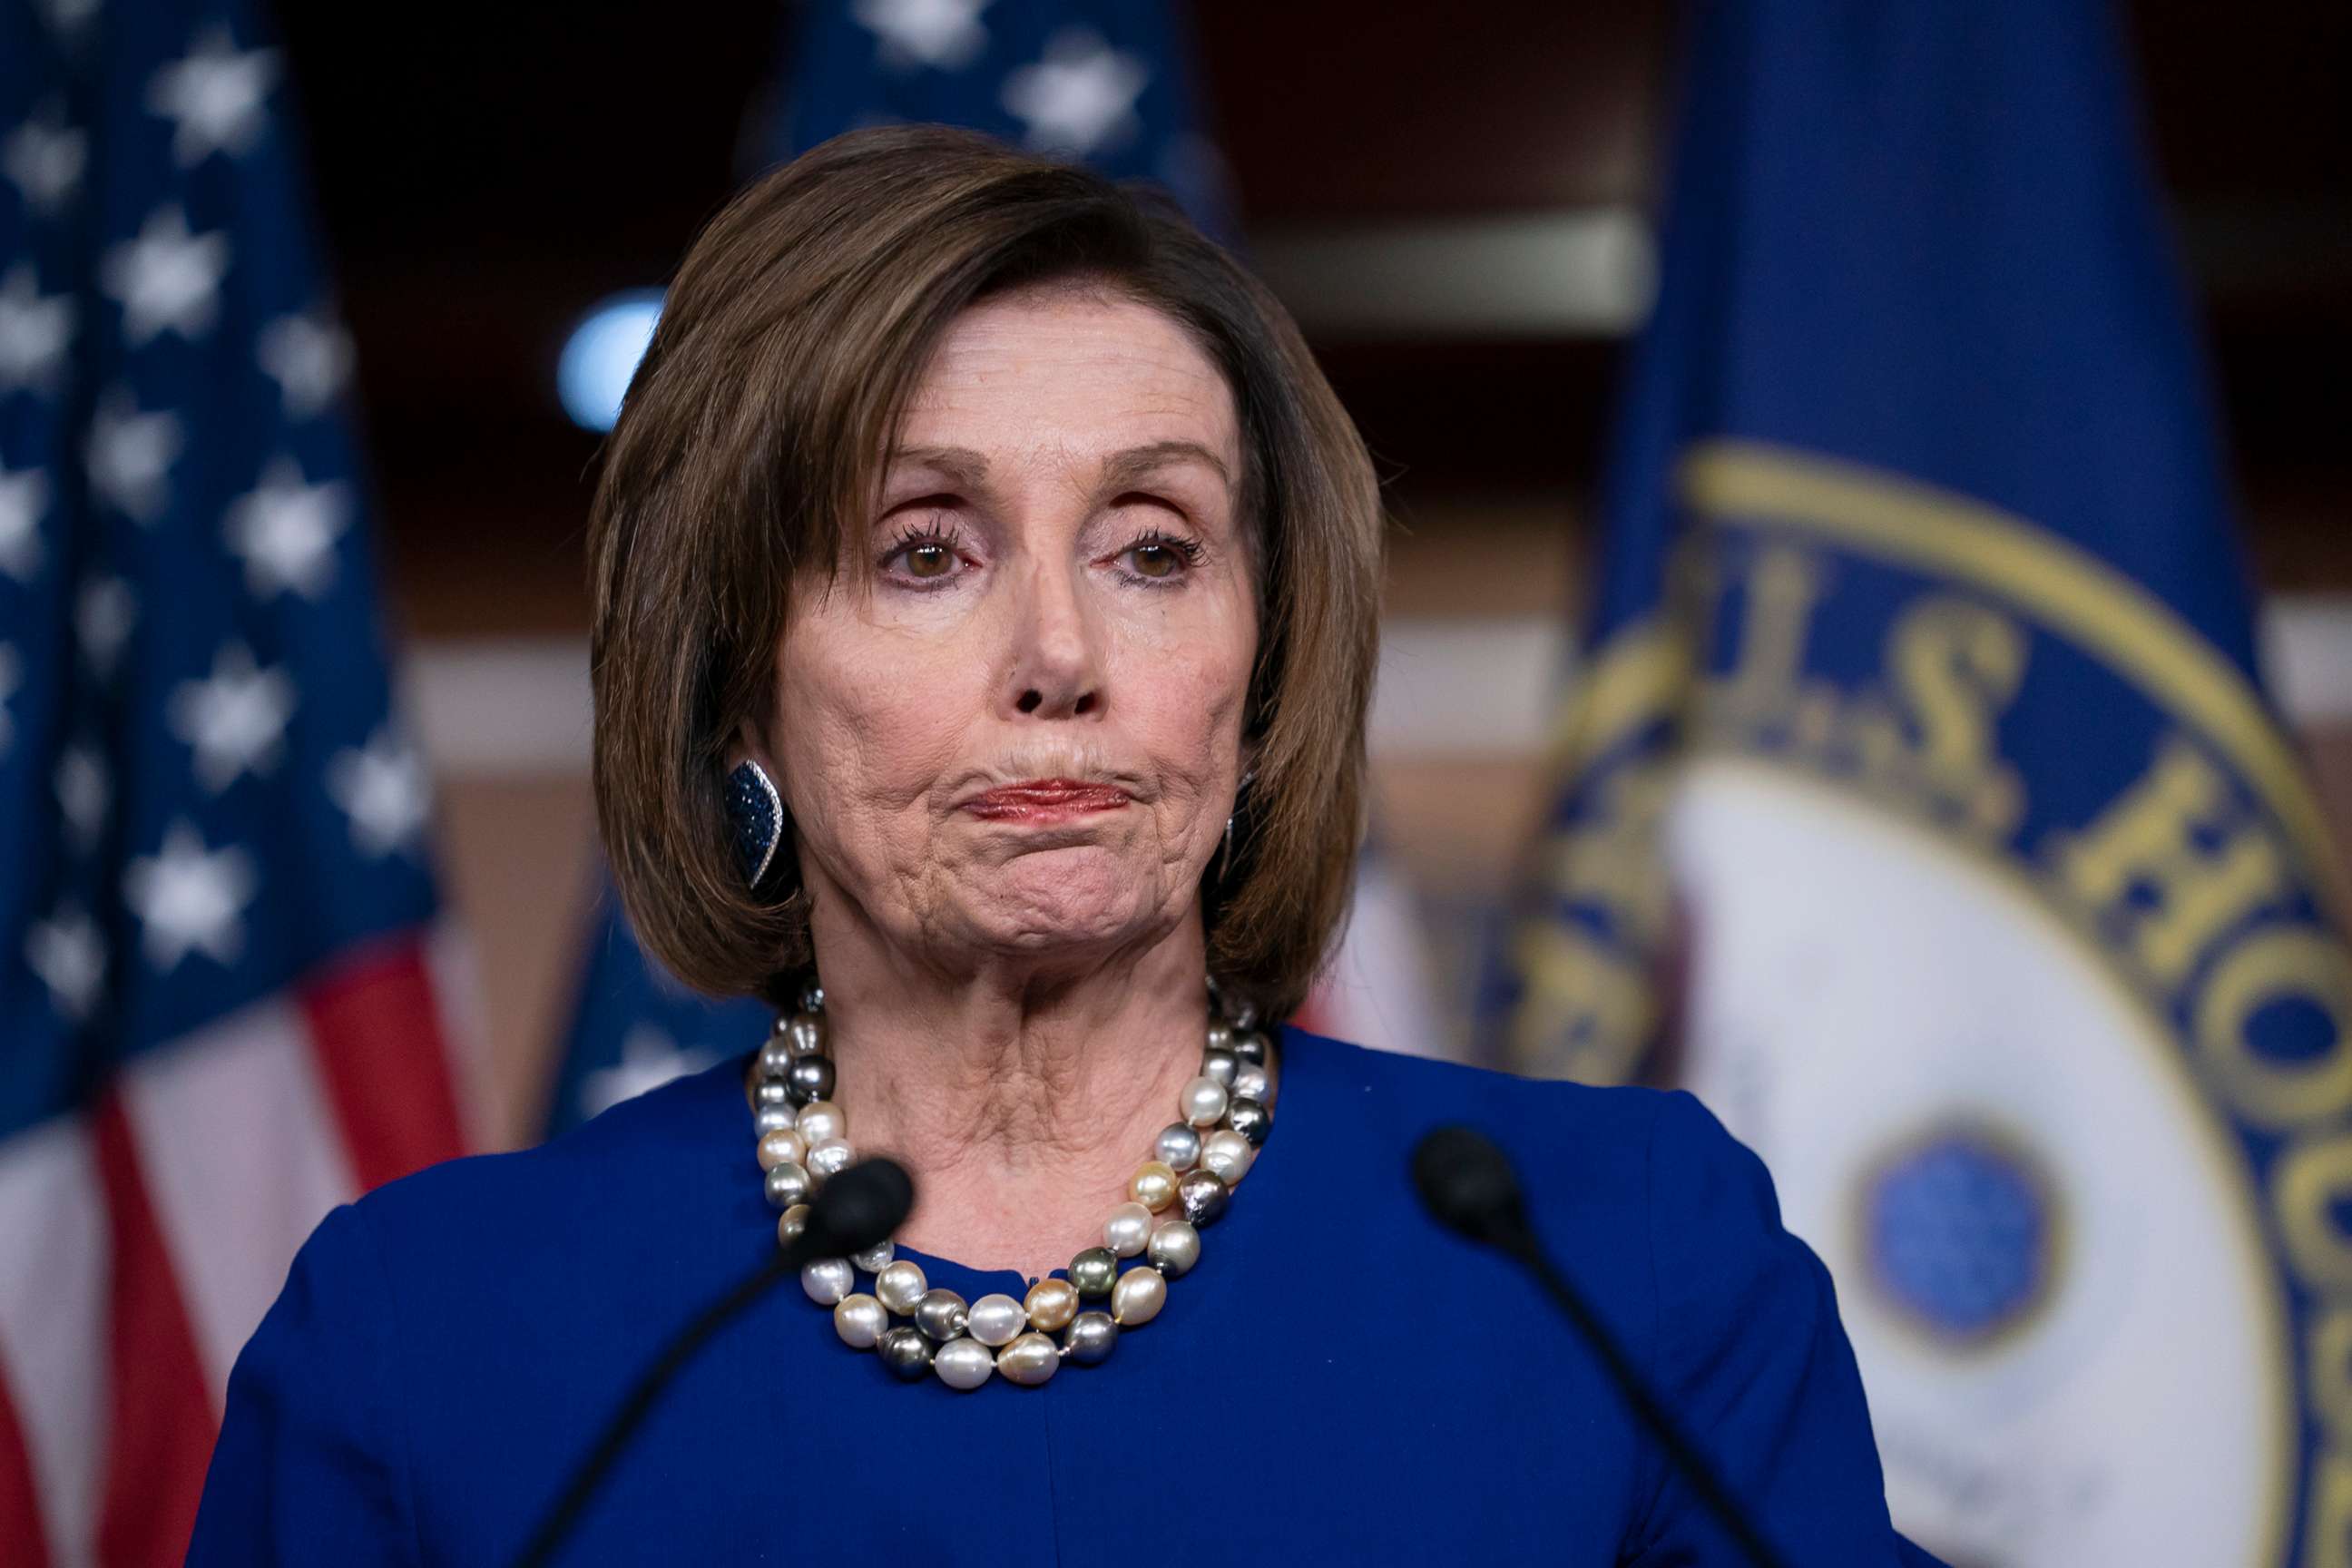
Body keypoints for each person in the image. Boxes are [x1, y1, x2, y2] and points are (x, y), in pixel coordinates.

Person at [188, 124, 1945, 1566]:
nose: (1060, 659)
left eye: (1154, 548)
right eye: (926, 550)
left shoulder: (1622, 1264)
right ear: (736, 685)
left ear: (1259, 671)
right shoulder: (426, 1349)